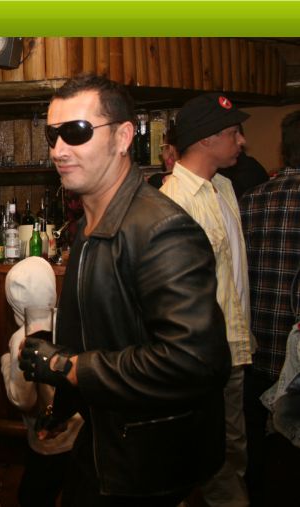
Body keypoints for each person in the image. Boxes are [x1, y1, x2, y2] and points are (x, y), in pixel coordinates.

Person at [18, 74, 231, 507]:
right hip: (104, 441)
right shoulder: (89, 225)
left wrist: (67, 367)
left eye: (77, 132)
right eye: (53, 135)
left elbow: (195, 362)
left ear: (123, 137)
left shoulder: (160, 228)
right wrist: (64, 405)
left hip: (145, 464)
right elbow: (103, 335)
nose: (59, 150)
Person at [160, 92, 254, 507]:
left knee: (232, 452)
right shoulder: (173, 201)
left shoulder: (224, 187)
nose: (242, 141)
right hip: (203, 359)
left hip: (232, 349)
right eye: (233, 132)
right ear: (206, 138)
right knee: (212, 461)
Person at [239, 110, 300, 506]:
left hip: (256, 349)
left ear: (284, 148)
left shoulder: (251, 199)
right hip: (296, 360)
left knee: (253, 456)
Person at [1, 257, 83, 507]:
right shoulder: (69, 324)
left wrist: (6, 362)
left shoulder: (22, 339)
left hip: (47, 440)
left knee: (32, 497)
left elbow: (23, 399)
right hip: (78, 431)